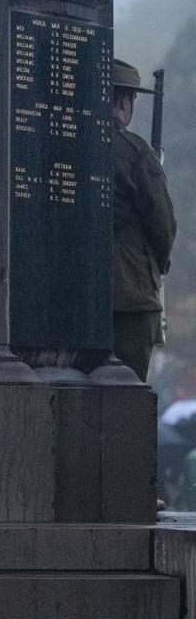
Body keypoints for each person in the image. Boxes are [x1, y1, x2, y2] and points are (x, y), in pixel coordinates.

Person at [111, 59, 177, 383]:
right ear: (124, 100)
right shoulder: (134, 151)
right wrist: (158, 268)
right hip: (130, 297)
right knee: (126, 389)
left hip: (72, 296)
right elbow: (162, 223)